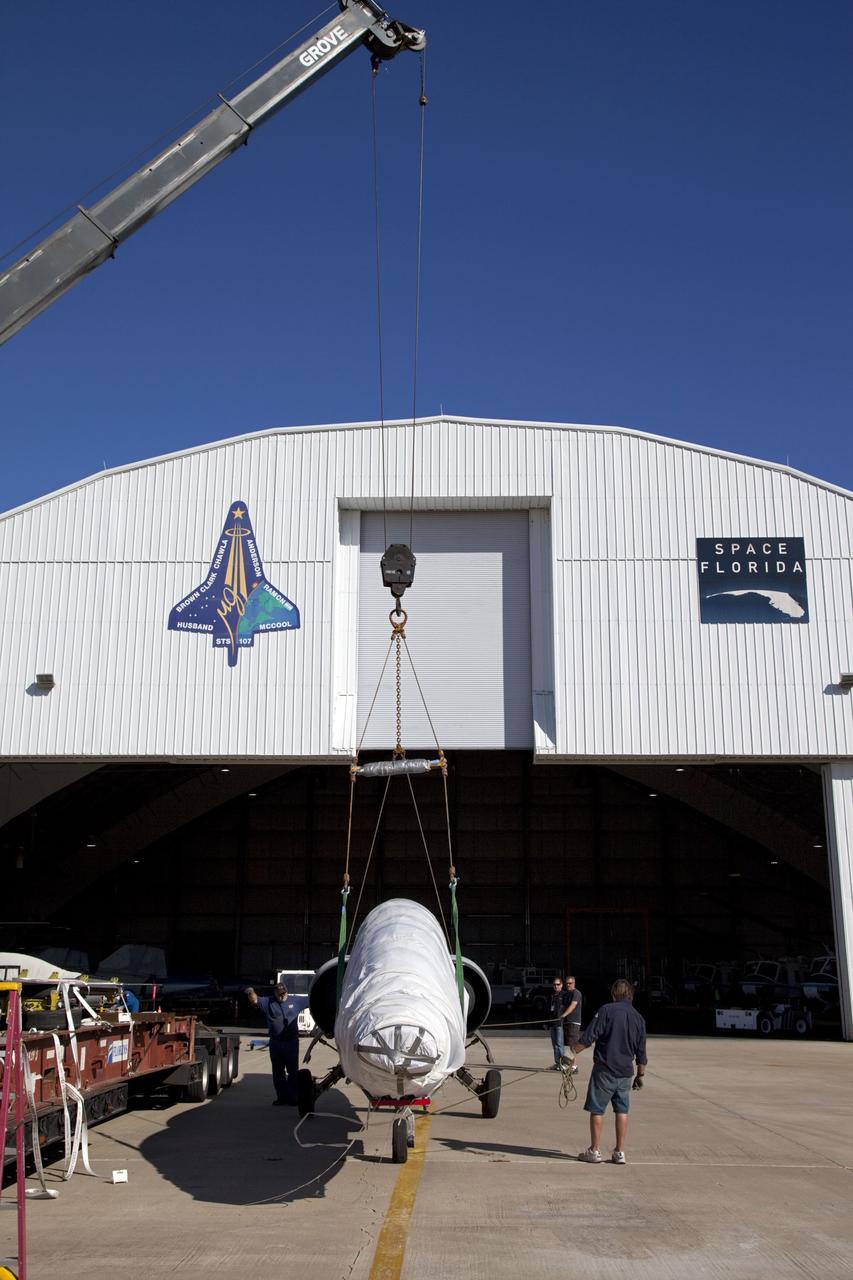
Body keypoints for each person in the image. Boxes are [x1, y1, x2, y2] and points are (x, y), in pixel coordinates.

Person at [572, 978, 647, 1164]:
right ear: (630, 995)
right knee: (622, 1110)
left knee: (597, 1109)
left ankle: (594, 1150)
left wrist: (571, 1052)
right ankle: (620, 1152)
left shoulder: (606, 1010)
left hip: (605, 1070)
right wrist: (640, 1075)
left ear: (614, 994)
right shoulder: (639, 1018)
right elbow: (642, 1052)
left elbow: (590, 1036)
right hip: (625, 1073)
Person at [246, 983, 300, 1105]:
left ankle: (293, 1097)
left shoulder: (296, 1000)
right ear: (275, 993)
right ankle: (282, 1097)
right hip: (276, 1043)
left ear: (287, 992)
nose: (282, 996)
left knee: (293, 1072)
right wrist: (250, 992)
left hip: (291, 1043)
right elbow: (255, 1000)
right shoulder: (268, 1002)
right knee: (278, 1071)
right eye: (279, 994)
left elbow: (312, 1000)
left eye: (283, 994)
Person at [546, 976, 571, 1068]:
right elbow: (548, 1010)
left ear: (561, 985)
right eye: (554, 985)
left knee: (560, 1044)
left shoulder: (565, 995)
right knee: (554, 1045)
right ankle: (557, 1063)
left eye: (558, 984)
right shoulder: (551, 996)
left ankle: (563, 1063)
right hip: (552, 1024)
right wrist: (546, 1023)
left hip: (560, 1023)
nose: (556, 986)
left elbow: (569, 1007)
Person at [564, 975, 583, 1051]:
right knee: (568, 1044)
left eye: (570, 983)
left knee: (573, 1044)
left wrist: (564, 1015)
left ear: (574, 983)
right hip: (567, 1022)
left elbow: (573, 1005)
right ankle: (568, 1062)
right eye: (567, 983)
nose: (568, 985)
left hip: (574, 1022)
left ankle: (574, 1063)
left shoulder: (576, 993)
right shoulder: (566, 994)